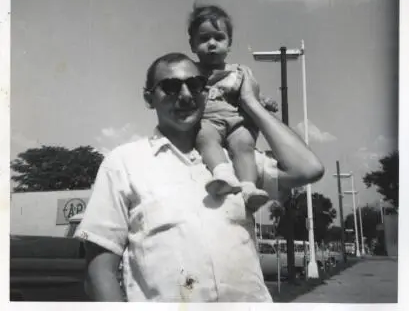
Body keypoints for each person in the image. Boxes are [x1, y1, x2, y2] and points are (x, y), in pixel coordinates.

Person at [75, 52, 324, 302]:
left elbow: (307, 169)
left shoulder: (236, 160)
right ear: (149, 98)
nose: (185, 95)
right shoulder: (124, 163)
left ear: (206, 92)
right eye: (170, 87)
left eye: (195, 85)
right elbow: (99, 273)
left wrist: (252, 103)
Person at [188, 4, 276, 212]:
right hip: (208, 120)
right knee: (205, 137)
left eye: (218, 38)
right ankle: (222, 174)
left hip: (237, 121)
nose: (211, 44)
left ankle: (248, 187)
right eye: (203, 39)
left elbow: (251, 94)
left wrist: (264, 100)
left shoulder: (239, 72)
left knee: (244, 145)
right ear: (192, 44)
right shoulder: (191, 70)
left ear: (229, 44)